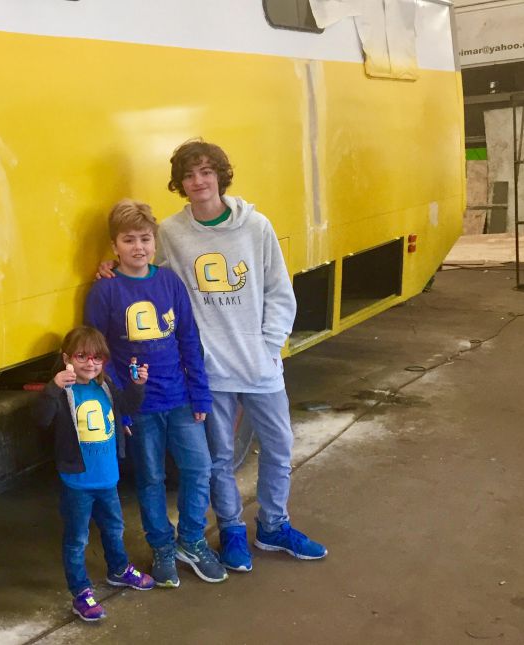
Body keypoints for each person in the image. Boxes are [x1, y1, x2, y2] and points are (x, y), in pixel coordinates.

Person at [103, 139, 326, 572]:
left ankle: (274, 525)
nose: (198, 181)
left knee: (279, 446)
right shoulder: (169, 232)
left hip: (260, 364)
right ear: (180, 184)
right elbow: (144, 269)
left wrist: (269, 346)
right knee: (219, 458)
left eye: (206, 172)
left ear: (220, 176)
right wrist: (108, 266)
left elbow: (279, 291)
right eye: (189, 175)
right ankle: (232, 530)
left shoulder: (256, 226)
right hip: (211, 370)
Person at [85, 199, 226, 588]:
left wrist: (200, 395)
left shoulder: (169, 283)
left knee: (199, 468)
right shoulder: (104, 293)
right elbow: (102, 357)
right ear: (115, 247)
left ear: (155, 242)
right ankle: (162, 546)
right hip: (141, 407)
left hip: (180, 399)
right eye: (128, 240)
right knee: (150, 479)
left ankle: (192, 541)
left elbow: (188, 339)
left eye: (145, 239)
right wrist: (122, 409)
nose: (138, 247)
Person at [32, 326, 155, 622]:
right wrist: (53, 387)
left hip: (107, 478)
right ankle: (81, 592)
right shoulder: (64, 392)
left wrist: (138, 385)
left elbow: (126, 406)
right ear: (67, 358)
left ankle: (118, 569)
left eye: (97, 357)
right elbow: (41, 419)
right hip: (78, 482)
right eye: (82, 356)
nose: (90, 363)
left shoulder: (106, 385)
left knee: (114, 528)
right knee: (77, 539)